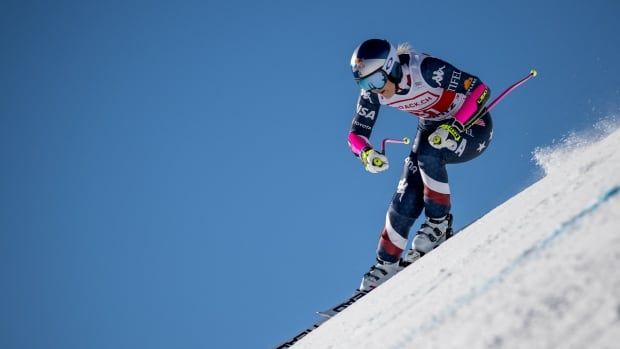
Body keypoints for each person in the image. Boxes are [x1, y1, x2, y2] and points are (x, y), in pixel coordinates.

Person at [349, 39, 493, 291]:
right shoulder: (373, 94)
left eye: (375, 82)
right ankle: (385, 264)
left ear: (391, 67)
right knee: (405, 194)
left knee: (429, 153)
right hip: (431, 129)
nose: (374, 90)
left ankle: (439, 224)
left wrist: (456, 126)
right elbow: (356, 134)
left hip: (472, 125)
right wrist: (366, 153)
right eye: (364, 84)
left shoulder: (425, 70)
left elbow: (479, 89)